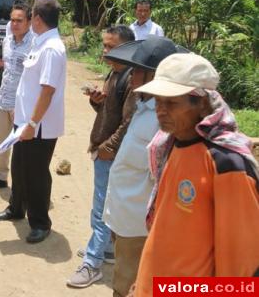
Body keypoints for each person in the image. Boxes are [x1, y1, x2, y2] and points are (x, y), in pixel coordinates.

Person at [130, 53, 259, 296]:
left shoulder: (226, 164)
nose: (160, 111)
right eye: (158, 101)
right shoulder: (169, 146)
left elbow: (241, 266)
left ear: (202, 103)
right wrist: (144, 282)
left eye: (171, 103)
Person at [101, 35, 189, 297]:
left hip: (139, 222)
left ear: (153, 76)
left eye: (138, 70)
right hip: (125, 214)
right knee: (125, 275)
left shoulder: (165, 120)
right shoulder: (144, 106)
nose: (132, 74)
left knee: (129, 284)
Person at [0, 0, 66, 244]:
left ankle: (41, 223)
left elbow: (47, 91)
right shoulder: (40, 43)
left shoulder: (52, 48)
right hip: (24, 121)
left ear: (37, 19)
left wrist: (32, 125)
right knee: (20, 168)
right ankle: (15, 208)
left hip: (38, 126)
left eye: (31, 16)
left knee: (35, 174)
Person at [67, 25, 136, 288]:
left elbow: (129, 123)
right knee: (104, 207)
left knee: (102, 210)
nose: (105, 51)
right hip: (105, 149)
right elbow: (111, 111)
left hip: (111, 154)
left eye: (111, 47)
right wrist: (98, 100)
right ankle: (105, 249)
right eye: (104, 45)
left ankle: (92, 264)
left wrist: (108, 148)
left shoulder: (132, 79)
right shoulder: (116, 71)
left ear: (128, 49)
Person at [0, 2, 33, 191]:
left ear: (29, 22)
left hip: (22, 105)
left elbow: (32, 79)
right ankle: (0, 177)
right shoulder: (8, 40)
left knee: (22, 148)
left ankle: (23, 184)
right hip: (4, 99)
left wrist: (21, 105)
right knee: (2, 141)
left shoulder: (35, 45)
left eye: (19, 20)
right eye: (12, 20)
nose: (14, 24)